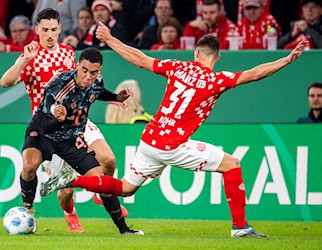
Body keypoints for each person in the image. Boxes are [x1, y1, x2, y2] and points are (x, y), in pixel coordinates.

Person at [41, 21, 308, 238]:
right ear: (217, 57)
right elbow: (254, 73)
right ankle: (240, 227)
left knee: (124, 188)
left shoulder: (177, 68)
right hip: (173, 145)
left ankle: (69, 180)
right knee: (232, 165)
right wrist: (285, 60)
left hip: (149, 139)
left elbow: (140, 59)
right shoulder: (217, 80)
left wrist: (110, 40)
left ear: (196, 53)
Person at [0, 8, 131, 234]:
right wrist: (24, 60)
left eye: (53, 29)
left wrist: (111, 98)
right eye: (45, 30)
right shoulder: (30, 55)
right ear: (36, 30)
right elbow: (5, 81)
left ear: (59, 28)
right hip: (49, 126)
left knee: (108, 159)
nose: (49, 35)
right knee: (65, 190)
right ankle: (69, 212)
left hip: (78, 120)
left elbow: (84, 83)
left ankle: (101, 192)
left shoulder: (69, 53)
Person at [18, 47, 143, 235]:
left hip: (70, 138)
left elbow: (98, 92)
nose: (88, 76)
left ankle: (124, 230)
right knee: (29, 165)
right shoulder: (59, 86)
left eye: (93, 72)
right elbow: (43, 122)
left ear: (98, 71)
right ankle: (28, 209)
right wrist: (57, 119)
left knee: (101, 179)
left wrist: (116, 97)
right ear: (77, 66)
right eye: (84, 70)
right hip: (43, 133)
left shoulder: (96, 81)